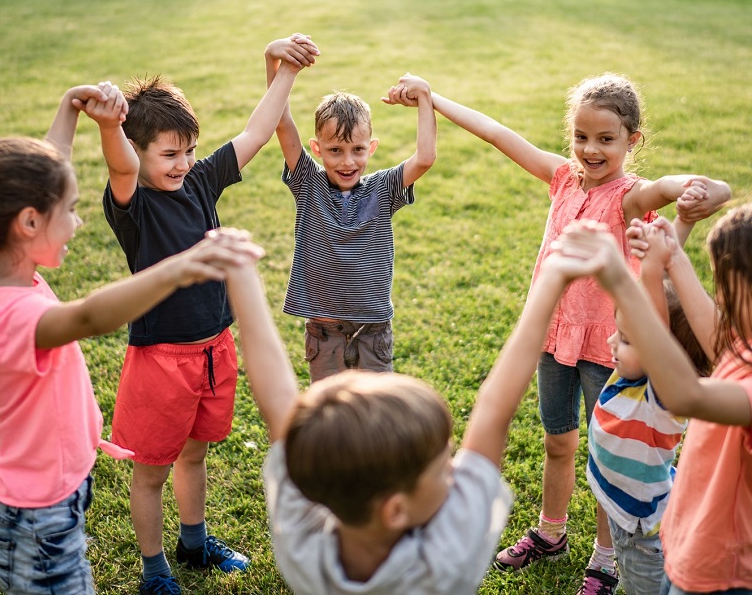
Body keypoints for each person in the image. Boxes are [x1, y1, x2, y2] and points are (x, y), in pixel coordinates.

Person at [0, 83, 246, 594]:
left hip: (43, 498)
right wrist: (181, 268)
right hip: (34, 517)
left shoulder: (3, 272)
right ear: (28, 223)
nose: (79, 220)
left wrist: (71, 108)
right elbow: (90, 317)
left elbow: (47, 171)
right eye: (69, 210)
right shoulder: (9, 314)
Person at [427, 72, 731, 593]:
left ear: (632, 140)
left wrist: (710, 191)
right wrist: (430, 98)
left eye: (606, 139)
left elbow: (670, 187)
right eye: (581, 137)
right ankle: (551, 533)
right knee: (557, 441)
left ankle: (606, 558)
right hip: (554, 338)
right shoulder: (562, 177)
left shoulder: (630, 196)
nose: (591, 150)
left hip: (607, 346)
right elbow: (497, 133)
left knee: (603, 454)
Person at [198, 218, 602, 594]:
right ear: (394, 510)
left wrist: (242, 278)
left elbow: (278, 406)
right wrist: (552, 279)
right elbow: (494, 410)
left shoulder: (304, 545)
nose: (454, 473)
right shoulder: (446, 558)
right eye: (444, 469)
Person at [97, 35, 320, 594]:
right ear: (139, 153)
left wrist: (286, 71)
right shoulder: (133, 203)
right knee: (150, 470)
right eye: (168, 155)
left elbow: (256, 132)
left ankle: (193, 543)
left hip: (214, 349)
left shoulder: (199, 181)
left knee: (194, 453)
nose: (183, 164)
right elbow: (121, 163)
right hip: (159, 357)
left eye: (187, 151)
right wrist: (108, 126)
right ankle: (154, 572)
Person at [557, 196, 752, 595]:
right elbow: (706, 323)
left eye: (725, 288)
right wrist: (670, 257)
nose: (719, 300)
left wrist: (621, 282)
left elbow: (685, 395)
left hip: (723, 571)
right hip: (690, 541)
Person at [265, 38, 436, 382]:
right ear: (316, 148)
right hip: (324, 334)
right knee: (329, 419)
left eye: (358, 149)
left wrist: (425, 98)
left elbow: (425, 158)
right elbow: (280, 122)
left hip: (373, 333)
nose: (347, 161)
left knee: (374, 420)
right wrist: (273, 61)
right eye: (335, 150)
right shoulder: (308, 184)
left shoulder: (383, 189)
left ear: (371, 147)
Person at [584, 216, 712, 595]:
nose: (610, 341)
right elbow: (644, 311)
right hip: (624, 518)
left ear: (661, 352)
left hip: (642, 535)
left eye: (625, 339)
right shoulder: (630, 377)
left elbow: (651, 323)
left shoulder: (662, 396)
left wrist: (655, 270)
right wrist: (658, 248)